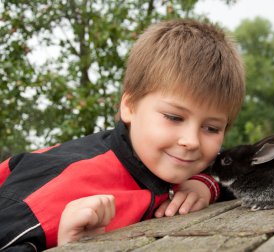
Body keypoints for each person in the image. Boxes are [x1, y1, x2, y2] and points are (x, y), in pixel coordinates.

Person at [0, 19, 245, 251]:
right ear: (129, 106)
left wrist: (206, 185)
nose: (191, 141)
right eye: (173, 117)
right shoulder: (59, 190)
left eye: (211, 128)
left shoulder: (175, 164)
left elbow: (261, 175)